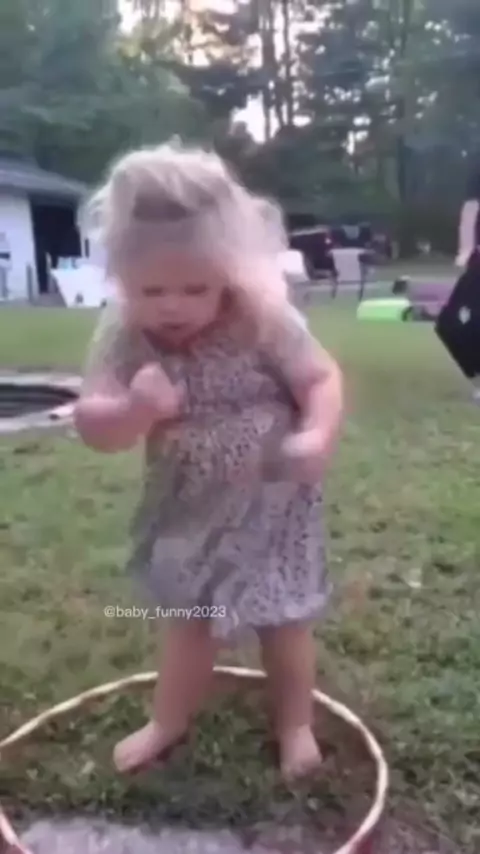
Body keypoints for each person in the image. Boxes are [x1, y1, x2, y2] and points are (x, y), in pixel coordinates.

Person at [74, 142, 344, 781]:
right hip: (188, 510)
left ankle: (295, 725)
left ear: (229, 269)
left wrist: (317, 434)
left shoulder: (262, 316)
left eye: (195, 288)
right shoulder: (123, 333)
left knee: (284, 622)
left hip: (273, 506)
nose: (172, 305)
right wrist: (134, 411)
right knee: (188, 624)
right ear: (120, 278)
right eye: (151, 289)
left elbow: (319, 378)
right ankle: (167, 721)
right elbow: (94, 424)